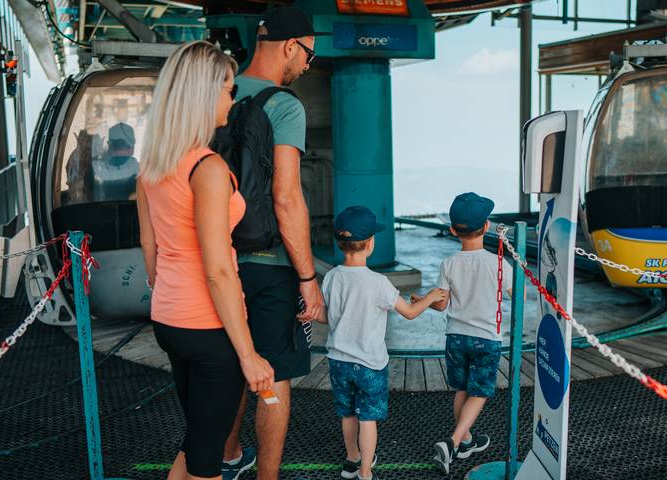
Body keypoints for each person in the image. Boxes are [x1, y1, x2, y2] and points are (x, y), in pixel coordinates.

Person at [136, 41, 274, 480]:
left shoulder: (154, 164)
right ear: (204, 93)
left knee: (198, 443)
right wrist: (248, 354)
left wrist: (171, 302)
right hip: (208, 328)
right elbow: (217, 270)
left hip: (170, 321)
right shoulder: (208, 169)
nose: (232, 100)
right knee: (208, 461)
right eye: (229, 89)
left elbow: (150, 248)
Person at [222, 6, 330, 480]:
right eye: (309, 55)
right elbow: (286, 198)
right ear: (290, 47)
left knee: (227, 365)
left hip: (218, 261)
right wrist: (308, 277)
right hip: (269, 263)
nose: (308, 65)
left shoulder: (214, 96)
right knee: (274, 373)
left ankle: (226, 458)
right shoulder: (283, 105)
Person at [312, 205, 447, 480]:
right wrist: (431, 297)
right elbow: (409, 313)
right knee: (367, 419)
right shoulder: (378, 282)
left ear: (340, 243)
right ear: (370, 244)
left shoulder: (332, 277)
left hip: (338, 361)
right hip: (369, 364)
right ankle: (365, 472)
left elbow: (330, 317)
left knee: (348, 414)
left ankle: (352, 460)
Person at [414, 192, 515, 476]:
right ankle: (453, 441)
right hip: (486, 337)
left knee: (461, 389)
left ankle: (467, 440)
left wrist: (422, 300)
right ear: (487, 227)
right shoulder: (497, 263)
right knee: (479, 392)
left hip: (456, 336)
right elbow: (516, 294)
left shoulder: (448, 264)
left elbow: (442, 304)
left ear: (452, 231)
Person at [92, 122, 140, 201]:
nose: (117, 151)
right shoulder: (143, 172)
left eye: (120, 145)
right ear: (132, 148)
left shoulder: (95, 170)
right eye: (116, 146)